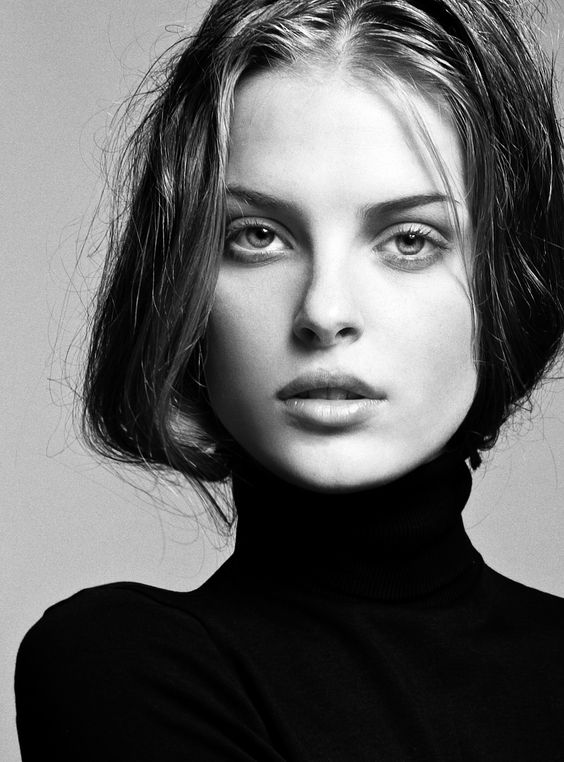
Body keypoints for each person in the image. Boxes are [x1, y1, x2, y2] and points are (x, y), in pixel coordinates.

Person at [15, 0, 564, 759]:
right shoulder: (120, 669)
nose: (324, 312)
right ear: (184, 287)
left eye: (410, 239)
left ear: (508, 282)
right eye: (259, 236)